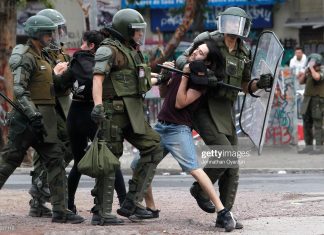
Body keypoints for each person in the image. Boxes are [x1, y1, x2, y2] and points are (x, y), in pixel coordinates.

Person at [176, 6, 273, 230]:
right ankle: (199, 189)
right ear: (223, 23)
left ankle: (225, 214)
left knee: (233, 166)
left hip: (225, 109)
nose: (232, 28)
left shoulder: (244, 51)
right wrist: (200, 70)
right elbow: (182, 60)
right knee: (227, 153)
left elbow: (245, 85)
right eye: (229, 22)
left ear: (244, 28)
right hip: (203, 105)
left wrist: (260, 84)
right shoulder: (207, 40)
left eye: (237, 24)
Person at [133, 39, 238, 232]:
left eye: (200, 53)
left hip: (178, 129)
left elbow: (181, 102)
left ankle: (223, 212)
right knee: (140, 164)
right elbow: (166, 94)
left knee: (194, 169)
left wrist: (184, 77)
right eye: (195, 50)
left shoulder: (200, 80)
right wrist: (166, 75)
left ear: (207, 62)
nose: (194, 54)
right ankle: (150, 207)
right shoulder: (182, 68)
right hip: (161, 126)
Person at [0, 15, 84, 223]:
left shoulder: (43, 56)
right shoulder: (25, 55)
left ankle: (60, 211)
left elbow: (53, 85)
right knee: (8, 162)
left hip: (44, 120)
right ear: (37, 34)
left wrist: (72, 72)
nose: (52, 37)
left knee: (55, 161)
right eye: (48, 33)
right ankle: (53, 208)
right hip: (25, 121)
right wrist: (33, 115)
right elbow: (19, 90)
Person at [90, 8, 164, 225]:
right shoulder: (108, 49)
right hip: (112, 113)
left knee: (154, 147)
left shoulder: (133, 50)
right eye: (137, 31)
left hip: (133, 112)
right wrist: (98, 105)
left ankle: (132, 201)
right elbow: (97, 78)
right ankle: (101, 213)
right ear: (125, 30)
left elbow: (137, 80)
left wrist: (162, 77)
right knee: (109, 162)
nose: (141, 35)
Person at [56, 30, 127, 213]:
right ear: (96, 47)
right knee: (108, 158)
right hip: (92, 114)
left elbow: (59, 86)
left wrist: (57, 73)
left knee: (79, 163)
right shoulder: (101, 64)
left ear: (89, 45)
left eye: (83, 42)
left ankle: (68, 204)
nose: (80, 46)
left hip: (74, 115)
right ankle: (123, 202)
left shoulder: (74, 63)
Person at [27, 8, 73, 218]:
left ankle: (41, 186)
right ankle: (38, 199)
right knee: (45, 154)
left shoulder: (61, 53)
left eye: (58, 30)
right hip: (46, 108)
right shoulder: (38, 54)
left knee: (68, 147)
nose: (57, 35)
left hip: (63, 105)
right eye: (54, 31)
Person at [297, 53, 324, 155]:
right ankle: (308, 146)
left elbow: (317, 77)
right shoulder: (309, 72)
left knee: (317, 124)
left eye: (313, 63)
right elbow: (300, 81)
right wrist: (306, 71)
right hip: (307, 100)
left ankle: (319, 148)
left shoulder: (321, 70)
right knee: (306, 124)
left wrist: (312, 69)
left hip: (317, 101)